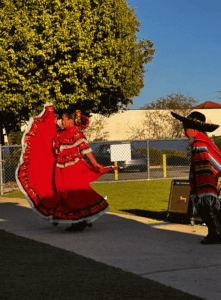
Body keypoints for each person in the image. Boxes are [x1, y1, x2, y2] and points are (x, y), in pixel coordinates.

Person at [16, 103, 115, 231]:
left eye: (64, 119)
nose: (61, 121)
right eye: (61, 119)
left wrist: (94, 163)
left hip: (72, 169)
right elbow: (54, 147)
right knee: (63, 192)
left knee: (73, 193)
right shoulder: (61, 133)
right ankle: (81, 218)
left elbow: (85, 148)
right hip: (61, 169)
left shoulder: (75, 132)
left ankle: (79, 220)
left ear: (70, 121)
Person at [171, 111, 221, 244]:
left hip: (207, 181)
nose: (184, 132)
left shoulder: (200, 143)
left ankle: (216, 233)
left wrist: (203, 185)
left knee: (206, 207)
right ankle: (214, 232)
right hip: (209, 180)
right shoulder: (202, 140)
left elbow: (206, 165)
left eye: (185, 129)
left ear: (194, 129)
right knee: (208, 208)